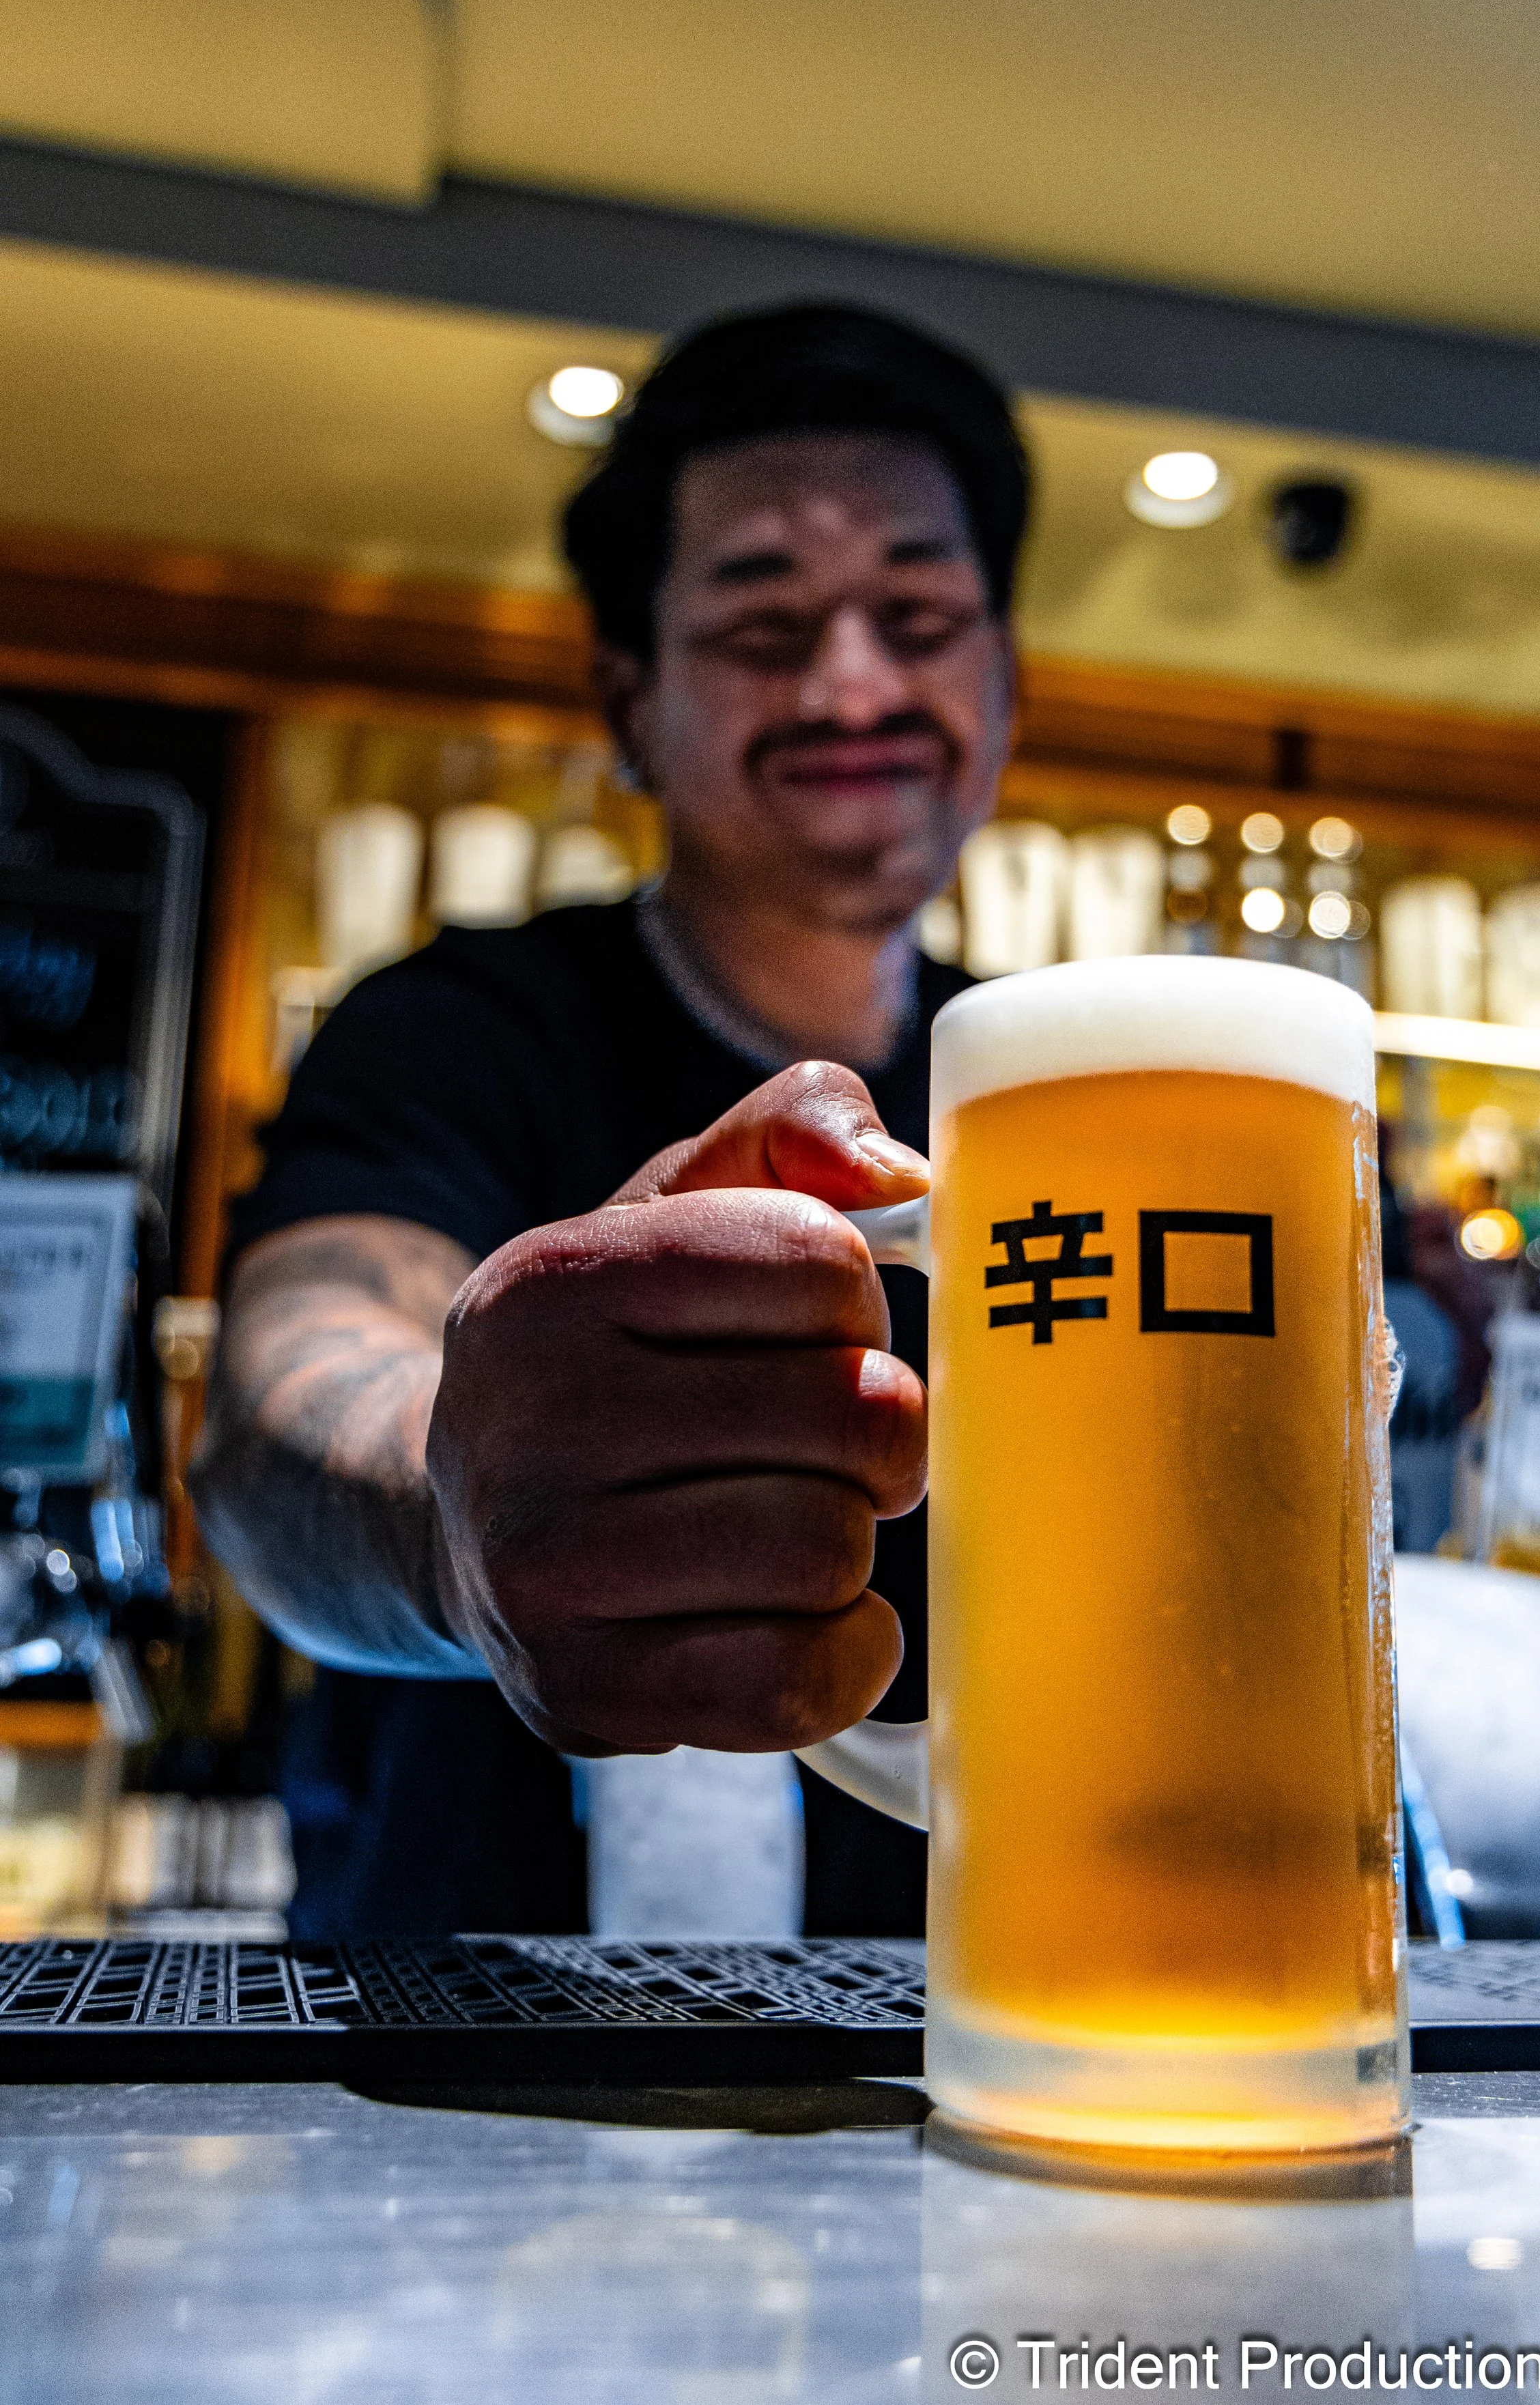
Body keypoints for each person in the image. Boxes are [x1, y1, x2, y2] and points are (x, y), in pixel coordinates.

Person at [192, 302, 1031, 1937]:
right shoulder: (459, 1029)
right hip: (473, 2028)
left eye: (919, 616)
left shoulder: (1054, 1089)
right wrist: (452, 1514)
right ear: (630, 700)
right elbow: (284, 1394)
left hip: (969, 2016)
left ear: (1003, 678)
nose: (852, 682)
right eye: (763, 624)